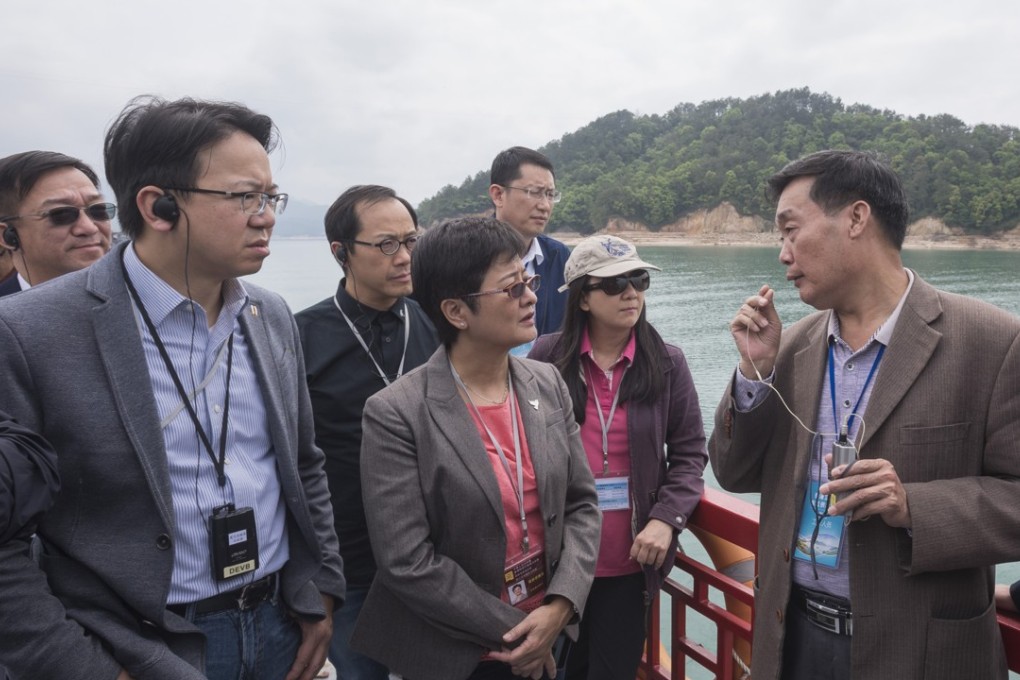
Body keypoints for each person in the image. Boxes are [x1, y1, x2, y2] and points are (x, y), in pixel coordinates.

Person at [0, 96, 344, 680]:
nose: (266, 217)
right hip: (136, 645)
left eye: (271, 197)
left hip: (280, 623)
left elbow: (304, 464)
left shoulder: (270, 314)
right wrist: (86, 669)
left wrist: (321, 591)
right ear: (158, 206)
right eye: (245, 197)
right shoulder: (29, 332)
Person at [709, 150, 1020, 680]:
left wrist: (912, 505)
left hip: (921, 652)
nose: (783, 254)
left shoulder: (992, 341)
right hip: (792, 638)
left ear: (856, 218)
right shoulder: (791, 345)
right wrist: (753, 373)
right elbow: (732, 472)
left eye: (790, 231)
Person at [350, 216, 601, 680]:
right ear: (456, 312)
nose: (531, 297)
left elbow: (581, 504)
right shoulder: (396, 413)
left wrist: (560, 606)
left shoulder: (546, 383)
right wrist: (524, 633)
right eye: (511, 288)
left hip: (547, 634)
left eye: (528, 281)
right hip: (457, 656)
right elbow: (407, 560)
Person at [528, 235, 707, 680]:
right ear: (582, 298)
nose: (631, 293)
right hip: (559, 557)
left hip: (631, 559)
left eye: (639, 280)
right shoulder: (547, 357)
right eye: (614, 284)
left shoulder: (666, 362)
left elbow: (689, 453)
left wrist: (666, 519)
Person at [296, 184, 439, 678]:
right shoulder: (300, 336)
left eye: (411, 241)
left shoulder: (435, 322)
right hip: (348, 563)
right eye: (386, 244)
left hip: (434, 558)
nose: (404, 257)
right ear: (341, 252)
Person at [489, 146, 571, 349]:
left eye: (550, 195)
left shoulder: (559, 257)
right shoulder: (465, 254)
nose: (545, 206)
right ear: (498, 195)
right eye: (534, 192)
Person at [0, 151, 114, 296]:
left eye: (98, 210)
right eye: (62, 214)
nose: (89, 227)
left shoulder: (140, 295)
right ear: (7, 236)